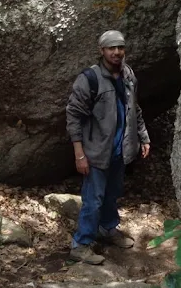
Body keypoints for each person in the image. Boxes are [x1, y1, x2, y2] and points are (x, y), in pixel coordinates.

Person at [65, 30, 151, 264]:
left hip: (121, 150)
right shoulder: (89, 79)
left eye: (120, 47)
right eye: (111, 48)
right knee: (93, 199)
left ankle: (107, 229)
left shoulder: (128, 75)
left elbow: (135, 108)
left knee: (112, 195)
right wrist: (79, 154)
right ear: (101, 51)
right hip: (95, 152)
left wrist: (143, 137)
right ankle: (81, 245)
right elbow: (74, 117)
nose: (116, 52)